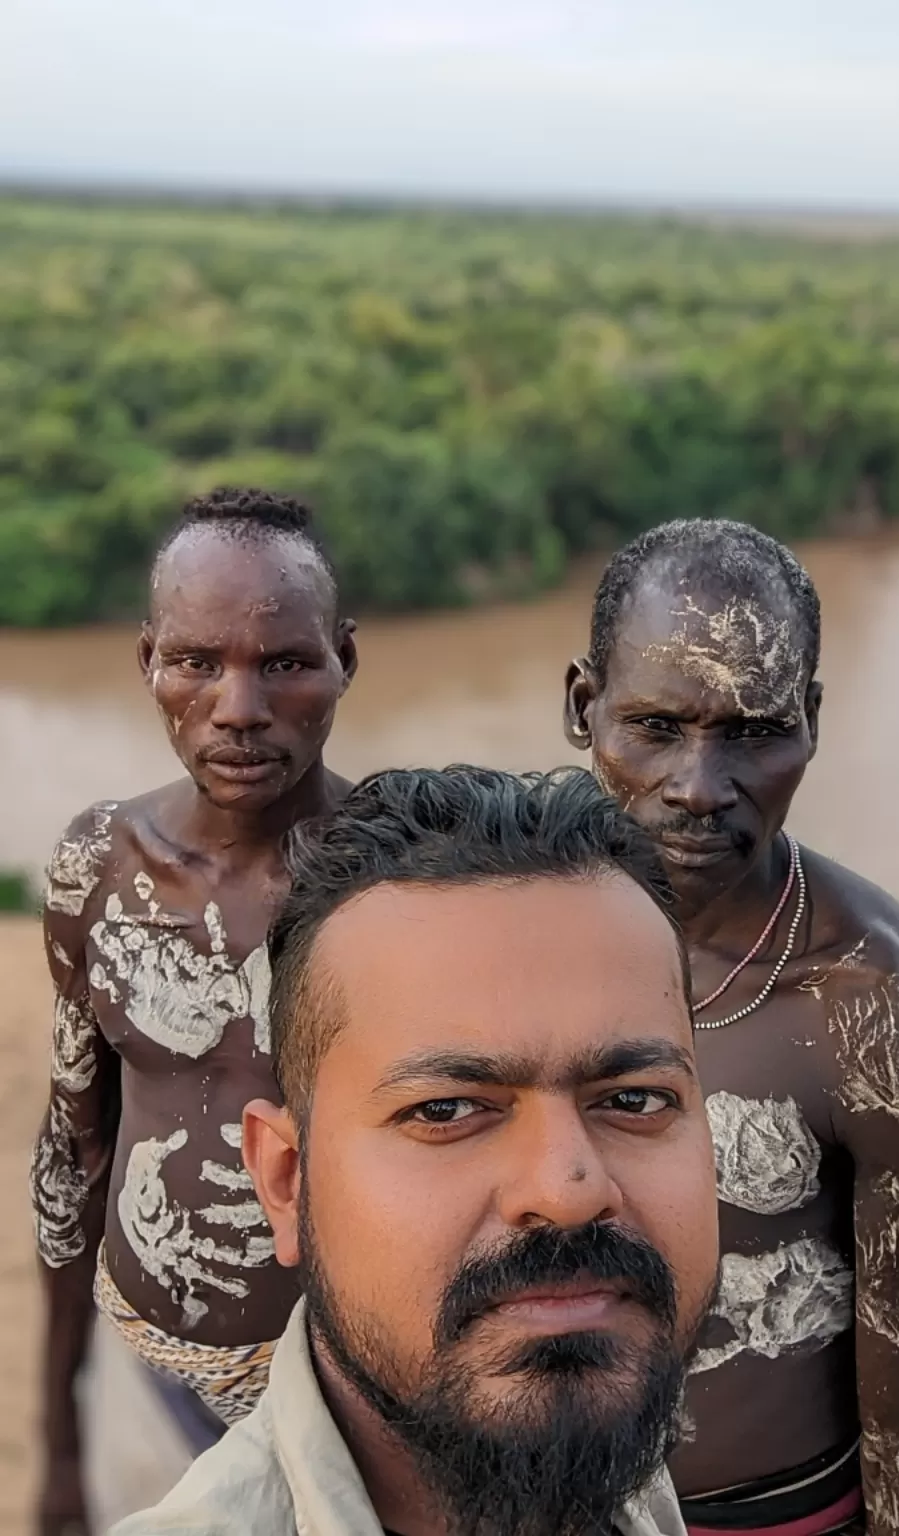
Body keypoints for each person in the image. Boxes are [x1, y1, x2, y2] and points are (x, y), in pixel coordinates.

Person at [112, 765, 720, 1536]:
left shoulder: (625, 1476)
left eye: (634, 1100)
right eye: (446, 1110)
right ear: (287, 1182)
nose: (569, 1190)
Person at [563, 519, 899, 1536]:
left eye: (752, 732)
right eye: (656, 727)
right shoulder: (500, 925)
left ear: (812, 721)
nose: (701, 790)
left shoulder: (875, 1003)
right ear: (584, 707)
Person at [31, 487, 358, 1535]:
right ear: (147, 665)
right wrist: (59, 1448)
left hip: (353, 1403)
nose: (238, 707)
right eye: (196, 662)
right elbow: (71, 1154)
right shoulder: (98, 869)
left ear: (346, 659)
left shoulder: (398, 884)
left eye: (285, 664)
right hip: (154, 1364)